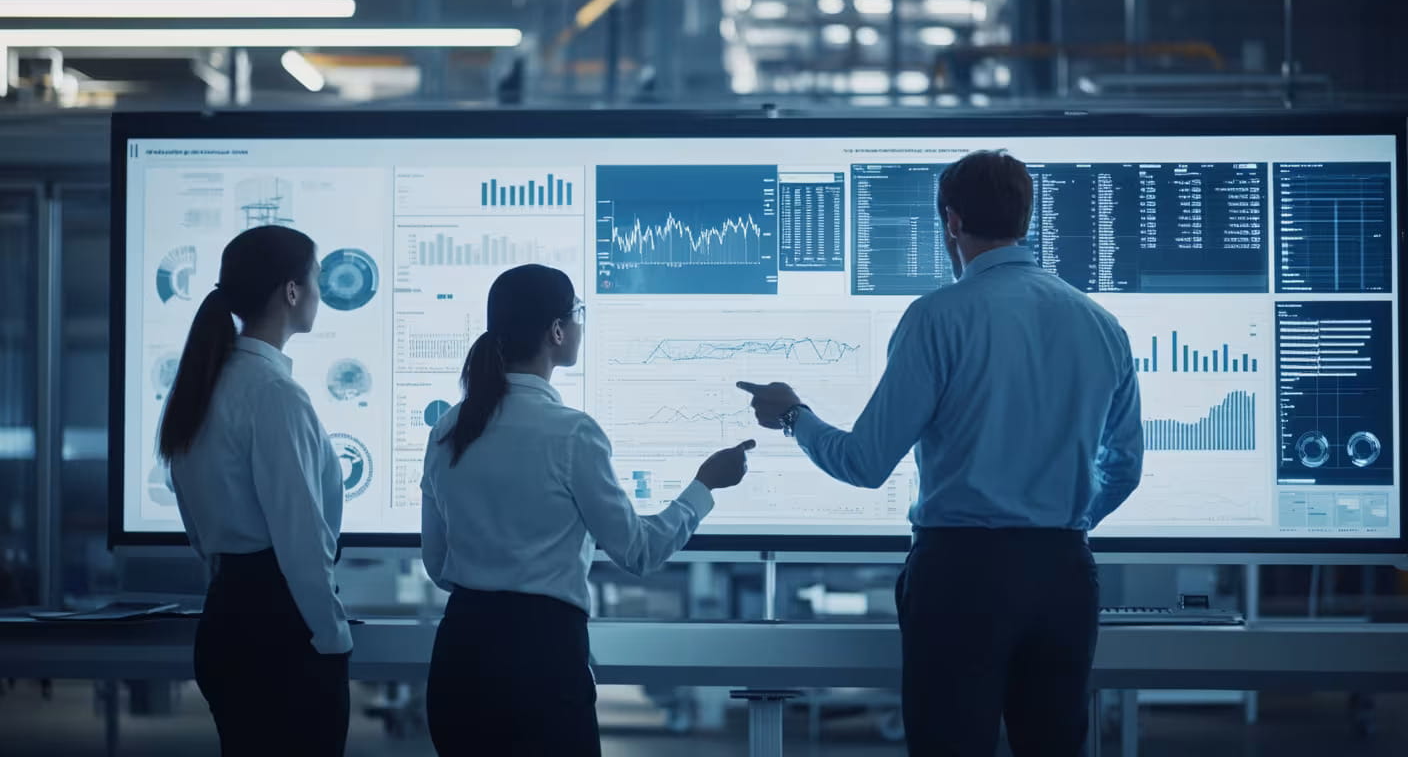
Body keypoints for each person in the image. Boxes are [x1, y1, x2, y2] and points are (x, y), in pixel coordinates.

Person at [737, 151, 1144, 757]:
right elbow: (1126, 467)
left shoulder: (938, 318)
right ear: (1025, 216)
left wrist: (794, 416)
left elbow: (864, 462)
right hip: (1064, 573)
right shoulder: (1101, 324)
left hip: (963, 574)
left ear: (951, 222)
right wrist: (1059, 522)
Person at [421, 264, 756, 757]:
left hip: (459, 655)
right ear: (556, 330)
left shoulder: (448, 428)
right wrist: (704, 486)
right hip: (541, 661)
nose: (579, 325)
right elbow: (639, 551)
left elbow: (437, 563)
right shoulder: (571, 433)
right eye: (577, 314)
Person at [159, 225, 351, 757]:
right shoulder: (274, 394)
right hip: (281, 633)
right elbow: (301, 538)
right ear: (291, 291)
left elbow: (197, 526)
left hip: (226, 617)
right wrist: (333, 639)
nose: (319, 292)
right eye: (315, 278)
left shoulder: (202, 385)